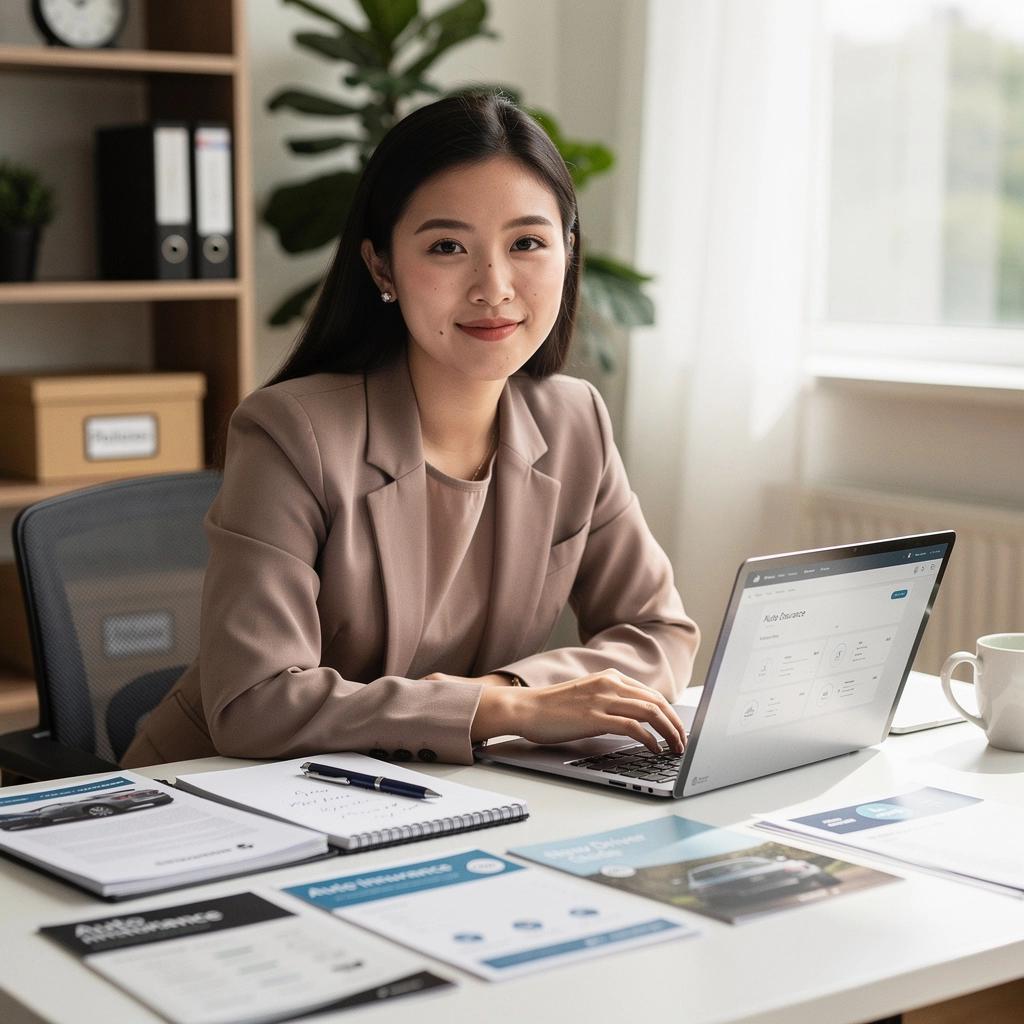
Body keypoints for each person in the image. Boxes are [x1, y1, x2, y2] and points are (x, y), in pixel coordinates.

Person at [122, 92, 699, 770]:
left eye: (527, 243)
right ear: (382, 268)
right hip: (226, 796)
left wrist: (509, 692)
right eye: (448, 246)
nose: (494, 286)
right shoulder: (291, 433)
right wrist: (500, 713)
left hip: (431, 789)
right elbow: (255, 703)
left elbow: (659, 632)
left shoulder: (575, 421)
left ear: (568, 253)